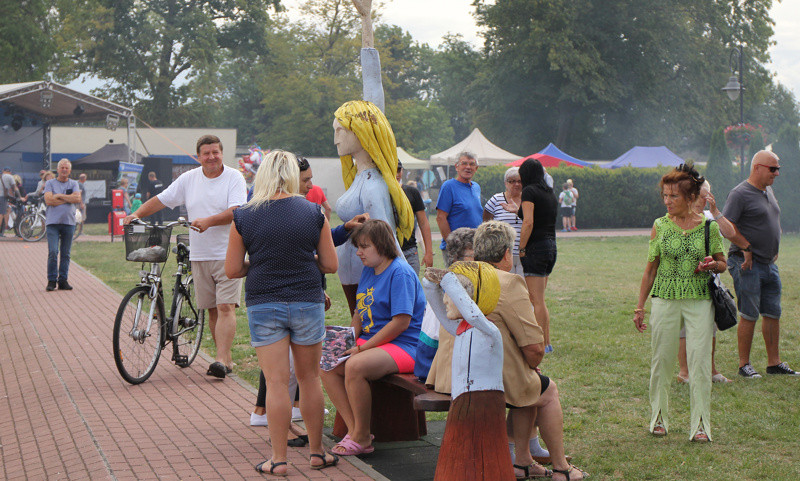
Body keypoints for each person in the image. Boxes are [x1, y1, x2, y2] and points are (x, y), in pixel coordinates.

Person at [225, 149, 339, 476]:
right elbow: (330, 264)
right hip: (306, 300)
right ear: (291, 174)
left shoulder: (244, 216)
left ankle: (278, 460)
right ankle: (317, 453)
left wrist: (262, 262)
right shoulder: (314, 212)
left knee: (276, 383)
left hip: (264, 302)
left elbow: (232, 270)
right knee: (309, 378)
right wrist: (303, 260)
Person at [126, 134, 247, 379]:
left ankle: (220, 359)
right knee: (212, 309)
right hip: (199, 254)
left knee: (225, 306)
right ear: (198, 156)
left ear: (222, 153)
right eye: (206, 153)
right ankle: (225, 359)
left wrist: (209, 221)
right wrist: (136, 214)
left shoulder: (234, 177)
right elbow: (162, 200)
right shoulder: (189, 179)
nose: (211, 157)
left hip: (228, 252)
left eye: (215, 152)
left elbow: (237, 211)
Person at [473, 220, 587, 480]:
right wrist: (531, 363)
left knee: (529, 381)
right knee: (547, 390)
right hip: (492, 377)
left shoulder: (463, 276)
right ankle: (562, 469)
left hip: (458, 373)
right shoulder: (508, 282)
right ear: (506, 253)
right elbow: (535, 349)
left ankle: (522, 462)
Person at [633, 164, 726, 442]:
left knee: (700, 363)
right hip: (665, 300)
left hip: (700, 301)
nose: (667, 201)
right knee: (661, 361)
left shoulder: (709, 227)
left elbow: (723, 263)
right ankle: (658, 419)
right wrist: (640, 307)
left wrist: (712, 264)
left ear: (690, 197)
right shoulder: (660, 226)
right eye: (665, 195)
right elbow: (650, 269)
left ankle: (700, 426)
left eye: (674, 196)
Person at [320, 219, 424, 456]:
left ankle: (361, 435)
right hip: (375, 341)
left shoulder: (400, 273)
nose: (359, 252)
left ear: (383, 245)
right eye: (358, 246)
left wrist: (362, 348)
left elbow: (401, 323)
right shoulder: (369, 269)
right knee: (326, 362)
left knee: (355, 366)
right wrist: (348, 338)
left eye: (364, 246)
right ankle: (356, 430)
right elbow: (359, 311)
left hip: (405, 344)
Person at [422, 262, 515, 481]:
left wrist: (447, 279)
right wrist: (430, 284)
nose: (446, 300)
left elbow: (473, 315)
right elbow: (439, 310)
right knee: (458, 448)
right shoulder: (460, 330)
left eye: (450, 295)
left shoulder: (488, 330)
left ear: (468, 298)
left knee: (483, 450)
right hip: (462, 400)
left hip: (484, 400)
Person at [332, 100, 414, 315]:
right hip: (354, 271)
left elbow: (386, 235)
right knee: (362, 321)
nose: (335, 139)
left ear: (362, 131)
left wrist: (407, 278)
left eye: (340, 131)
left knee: (371, 322)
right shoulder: (362, 179)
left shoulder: (372, 185)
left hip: (365, 271)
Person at [722, 150, 799, 378]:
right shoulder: (739, 194)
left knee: (773, 312)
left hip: (768, 264)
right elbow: (726, 226)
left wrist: (774, 245)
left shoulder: (768, 191)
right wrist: (746, 247)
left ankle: (774, 363)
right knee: (749, 313)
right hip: (746, 263)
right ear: (757, 168)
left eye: (778, 169)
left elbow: (772, 219)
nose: (777, 173)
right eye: (773, 169)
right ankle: (744, 365)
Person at [677, 180, 733, 384]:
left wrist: (716, 211)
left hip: (709, 284)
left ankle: (711, 370)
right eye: (702, 196)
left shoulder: (710, 218)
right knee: (685, 329)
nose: (705, 200)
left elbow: (730, 235)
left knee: (710, 329)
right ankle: (685, 373)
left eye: (708, 196)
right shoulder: (678, 219)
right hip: (684, 285)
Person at [518, 158, 558, 353]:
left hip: (535, 248)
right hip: (551, 247)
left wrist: (521, 248)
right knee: (541, 300)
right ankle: (547, 342)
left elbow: (528, 222)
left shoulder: (529, 191)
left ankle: (541, 344)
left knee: (536, 301)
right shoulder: (549, 192)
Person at [436, 151, 482, 265]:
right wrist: (452, 245)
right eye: (464, 163)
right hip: (457, 248)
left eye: (472, 164)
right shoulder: (448, 186)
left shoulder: (476, 187)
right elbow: (441, 218)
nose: (468, 167)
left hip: (474, 247)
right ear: (457, 167)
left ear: (476, 168)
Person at [43, 159, 82, 291]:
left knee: (66, 254)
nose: (64, 170)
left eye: (66, 168)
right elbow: (49, 200)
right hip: (52, 223)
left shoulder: (74, 183)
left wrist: (58, 196)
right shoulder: (50, 183)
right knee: (53, 252)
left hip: (69, 223)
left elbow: (77, 198)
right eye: (62, 167)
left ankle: (63, 280)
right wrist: (68, 198)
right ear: (58, 169)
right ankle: (51, 280)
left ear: (70, 170)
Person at [483, 167, 524, 275]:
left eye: (519, 181)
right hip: (502, 254)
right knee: (504, 283)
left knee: (522, 284)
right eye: (512, 181)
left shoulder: (528, 199)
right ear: (506, 183)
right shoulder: (496, 199)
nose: (516, 184)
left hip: (524, 253)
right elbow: (486, 224)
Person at [397, 161, 434, 274]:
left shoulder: (412, 192)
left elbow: (423, 223)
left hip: (410, 251)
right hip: (386, 253)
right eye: (392, 169)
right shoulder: (380, 193)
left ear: (402, 171)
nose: (396, 174)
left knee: (412, 284)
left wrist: (428, 252)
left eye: (398, 170)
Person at [1, 167, 19, 235]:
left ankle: (5, 227)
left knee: (5, 211)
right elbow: (14, 188)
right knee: (3, 213)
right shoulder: (9, 178)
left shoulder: (2, 177)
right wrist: (20, 197)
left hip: (4, 198)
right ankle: (6, 226)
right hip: (3, 198)